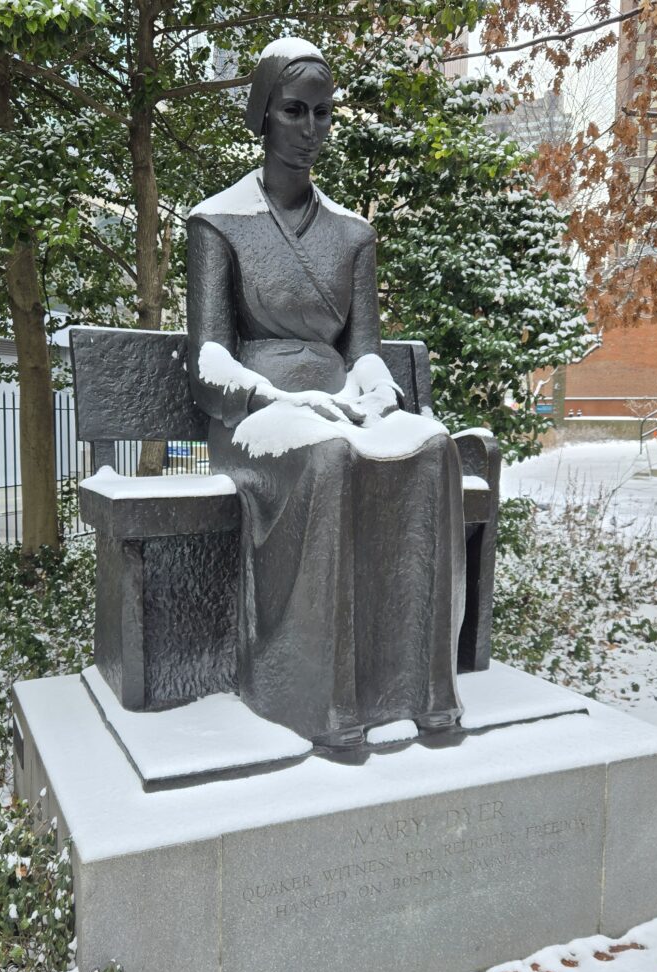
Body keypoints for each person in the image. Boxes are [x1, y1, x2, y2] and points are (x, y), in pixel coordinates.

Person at [186, 37, 465, 750]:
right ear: (263, 115)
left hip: (338, 403)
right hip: (257, 416)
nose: (310, 129)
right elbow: (208, 357)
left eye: (322, 114)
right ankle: (318, 695)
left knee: (433, 449)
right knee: (332, 457)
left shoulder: (353, 234)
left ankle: (424, 691)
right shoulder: (218, 223)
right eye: (294, 111)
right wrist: (269, 400)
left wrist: (380, 394)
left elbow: (363, 352)